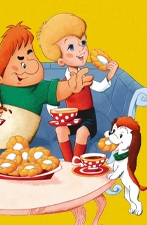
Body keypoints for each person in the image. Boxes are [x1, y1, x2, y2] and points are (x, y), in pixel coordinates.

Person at [0, 23, 92, 162]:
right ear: (1, 76)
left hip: (19, 130)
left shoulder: (38, 88)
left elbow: (58, 90)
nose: (28, 63)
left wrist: (70, 86)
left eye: (30, 53)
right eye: (20, 58)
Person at [36, 12, 119, 161]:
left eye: (83, 43)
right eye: (71, 47)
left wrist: (109, 76)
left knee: (82, 132)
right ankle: (69, 162)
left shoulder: (86, 78)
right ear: (61, 61)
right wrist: (57, 114)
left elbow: (100, 87)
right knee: (60, 130)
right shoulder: (63, 83)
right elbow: (51, 101)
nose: (81, 49)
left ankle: (77, 161)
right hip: (70, 119)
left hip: (88, 119)